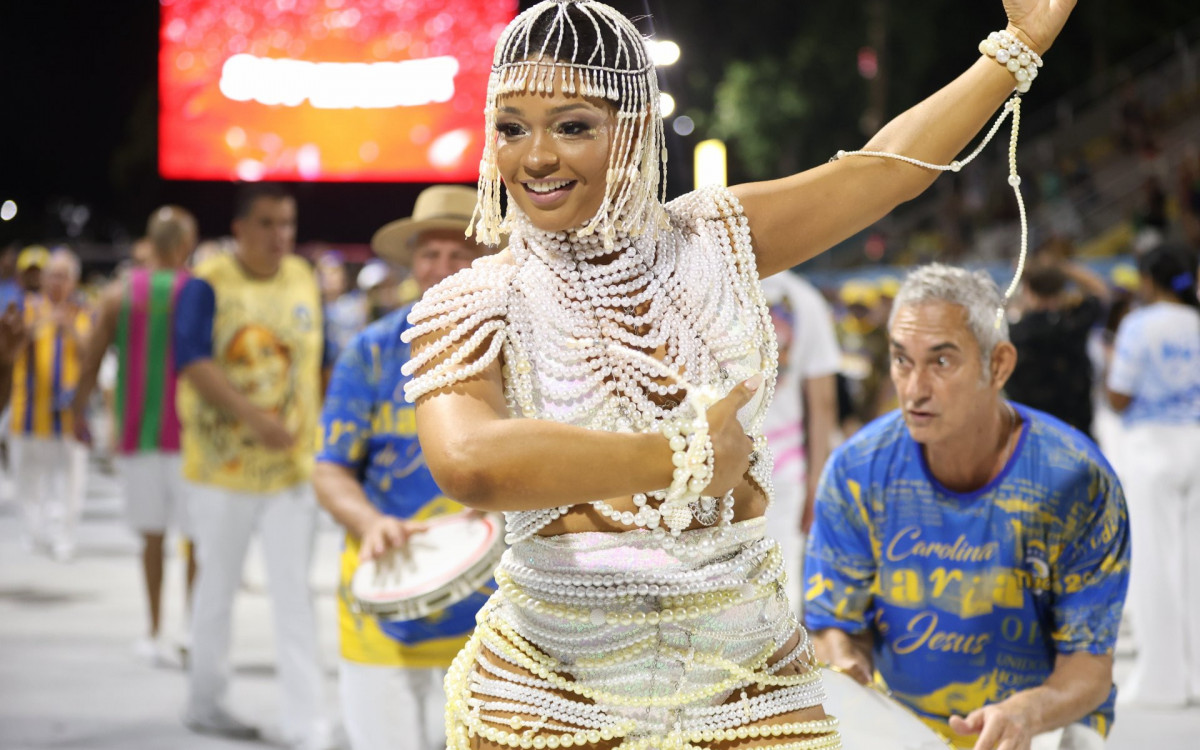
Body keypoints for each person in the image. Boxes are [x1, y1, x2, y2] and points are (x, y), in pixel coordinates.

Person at [400, 2, 1081, 748]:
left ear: (629, 130)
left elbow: (882, 174)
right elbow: (467, 462)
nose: (534, 157)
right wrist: (681, 457)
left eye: (572, 126)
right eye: (511, 127)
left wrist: (1017, 49)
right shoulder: (474, 299)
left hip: (747, 677)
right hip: (553, 688)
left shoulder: (713, 239)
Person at [804, 264, 1130, 750]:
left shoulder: (1075, 479)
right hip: (900, 722)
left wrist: (1027, 713)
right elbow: (834, 623)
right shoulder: (857, 471)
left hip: (1042, 721)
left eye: (941, 362)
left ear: (998, 365)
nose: (913, 389)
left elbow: (1090, 664)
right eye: (901, 360)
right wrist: (844, 663)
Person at [313, 185, 497, 750]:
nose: (442, 269)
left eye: (458, 255)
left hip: (489, 616)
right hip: (383, 605)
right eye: (429, 254)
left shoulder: (516, 352)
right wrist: (370, 524)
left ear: (483, 263)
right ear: (411, 263)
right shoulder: (369, 351)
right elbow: (329, 470)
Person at [174, 183, 335, 748]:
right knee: (215, 589)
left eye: (287, 224)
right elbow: (190, 360)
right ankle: (206, 701)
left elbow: (321, 362)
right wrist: (253, 417)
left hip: (291, 472)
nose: (279, 236)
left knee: (295, 595)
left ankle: (308, 722)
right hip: (221, 474)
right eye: (267, 224)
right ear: (240, 228)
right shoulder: (208, 283)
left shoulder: (303, 278)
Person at [71, 205, 199, 666]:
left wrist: (77, 414)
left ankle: (152, 629)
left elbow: (90, 358)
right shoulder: (200, 292)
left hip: (138, 432)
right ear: (185, 245)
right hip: (192, 437)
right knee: (194, 539)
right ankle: (190, 630)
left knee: (151, 537)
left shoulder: (118, 293)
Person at [1104, 244, 1200, 708]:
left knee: (1154, 564)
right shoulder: (1197, 322)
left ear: (1147, 279)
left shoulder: (1139, 325)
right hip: (1197, 440)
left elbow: (1118, 396)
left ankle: (1164, 681)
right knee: (1195, 563)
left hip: (1152, 445)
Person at [759, 270, 841, 612]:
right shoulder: (806, 299)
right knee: (781, 586)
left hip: (712, 464)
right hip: (783, 465)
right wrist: (815, 484)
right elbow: (823, 402)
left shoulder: (705, 282)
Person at [9, 248, 91, 561]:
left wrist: (68, 326)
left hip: (71, 414)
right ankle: (33, 533)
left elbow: (91, 350)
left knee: (71, 480)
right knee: (28, 477)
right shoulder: (27, 308)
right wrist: (43, 323)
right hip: (29, 409)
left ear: (74, 280)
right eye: (53, 275)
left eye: (64, 276)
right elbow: (11, 345)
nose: (57, 282)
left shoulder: (84, 312)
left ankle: (64, 537)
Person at [1005, 256, 1111, 437]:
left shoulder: (1016, 332)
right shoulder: (1074, 323)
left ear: (1027, 289)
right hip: (1077, 430)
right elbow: (1101, 292)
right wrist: (1062, 267)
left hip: (1034, 432)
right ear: (1062, 289)